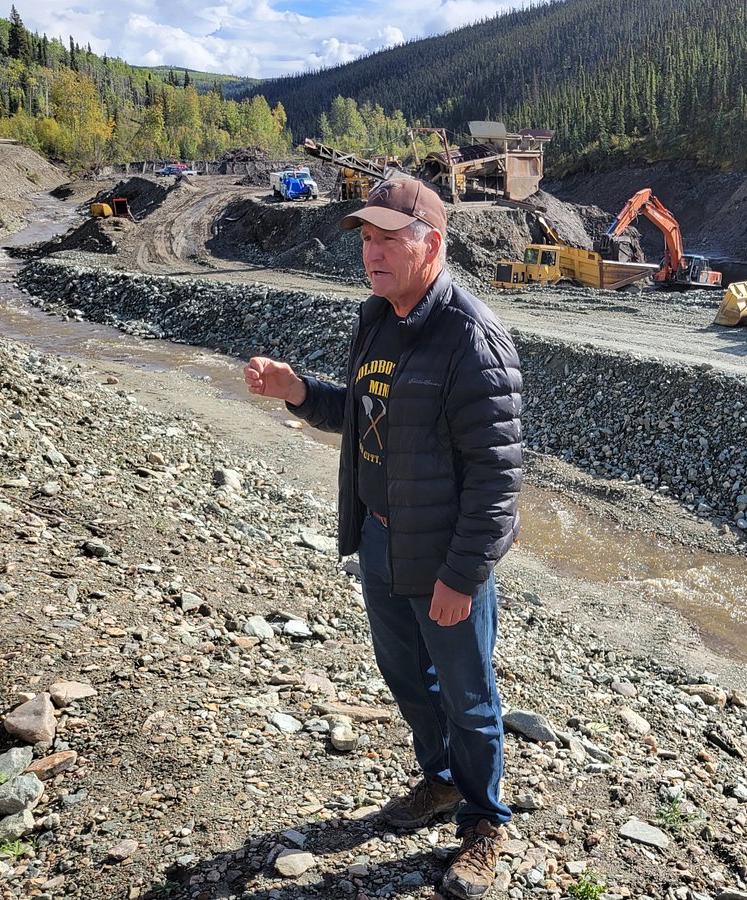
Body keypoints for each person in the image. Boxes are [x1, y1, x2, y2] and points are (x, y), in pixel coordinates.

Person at [243, 176, 523, 899]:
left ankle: (485, 821)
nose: (371, 252)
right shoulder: (376, 316)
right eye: (365, 238)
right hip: (380, 539)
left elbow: (497, 480)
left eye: (387, 238)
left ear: (431, 244)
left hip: (443, 555)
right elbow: (366, 416)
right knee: (408, 679)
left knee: (469, 695)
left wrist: (461, 577)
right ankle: (437, 782)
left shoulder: (471, 336)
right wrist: (299, 393)